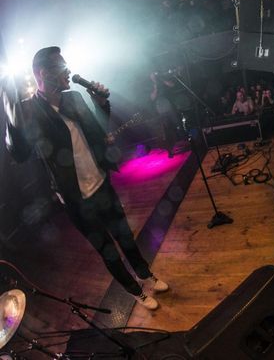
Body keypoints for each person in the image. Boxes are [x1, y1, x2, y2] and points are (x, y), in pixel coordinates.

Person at [3, 47, 168, 310]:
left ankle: (145, 274)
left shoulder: (74, 98)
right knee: (107, 249)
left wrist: (101, 104)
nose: (68, 71)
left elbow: (98, 130)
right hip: (76, 199)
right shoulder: (30, 111)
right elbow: (19, 153)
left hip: (101, 183)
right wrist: (10, 116)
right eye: (61, 67)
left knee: (125, 236)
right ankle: (136, 291)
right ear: (44, 74)